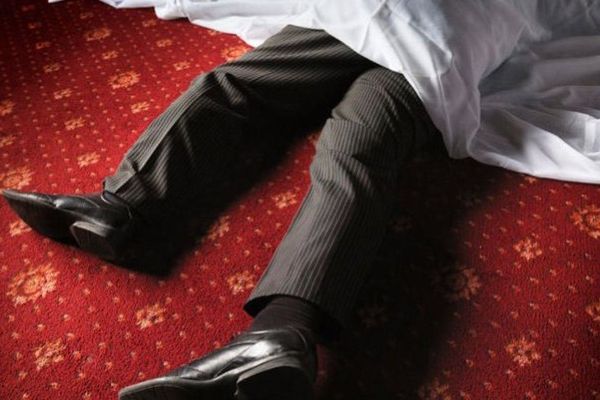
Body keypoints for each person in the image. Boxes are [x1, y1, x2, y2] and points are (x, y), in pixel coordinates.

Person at [2, 24, 440, 400]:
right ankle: (279, 335)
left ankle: (123, 206)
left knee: (245, 88)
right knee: (355, 150)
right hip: (430, 37)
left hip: (429, 31)